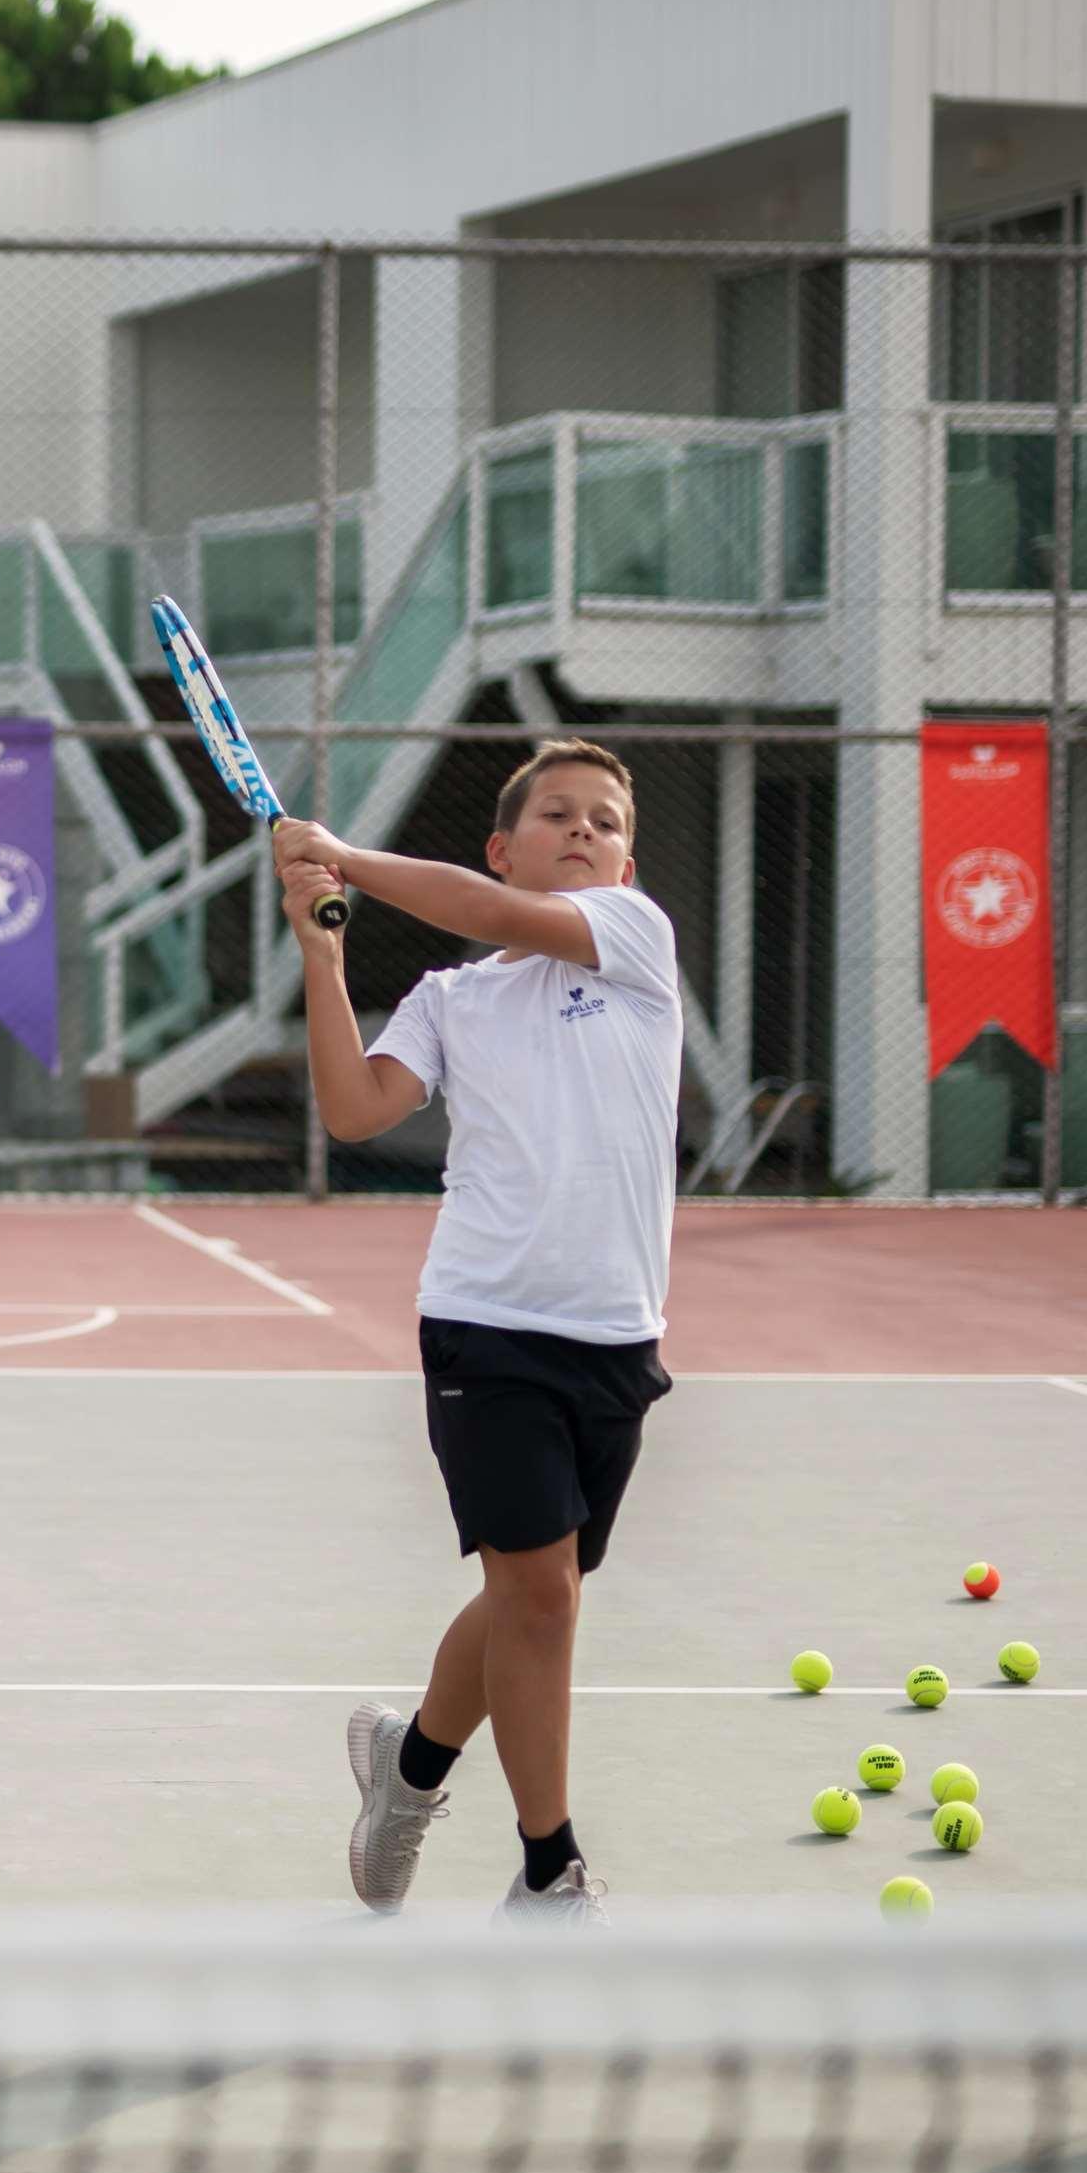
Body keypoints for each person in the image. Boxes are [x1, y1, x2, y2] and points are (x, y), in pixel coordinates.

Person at [271, 738, 681, 1925]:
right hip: (484, 1323)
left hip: (615, 1334)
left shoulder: (636, 942)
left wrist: (345, 854)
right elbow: (355, 1109)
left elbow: (467, 901)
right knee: (542, 1595)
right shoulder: (452, 998)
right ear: (509, 842)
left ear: (626, 863)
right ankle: (548, 1867)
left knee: (529, 1598)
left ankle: (407, 1770)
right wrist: (322, 951)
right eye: (557, 814)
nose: (585, 832)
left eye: (605, 821)